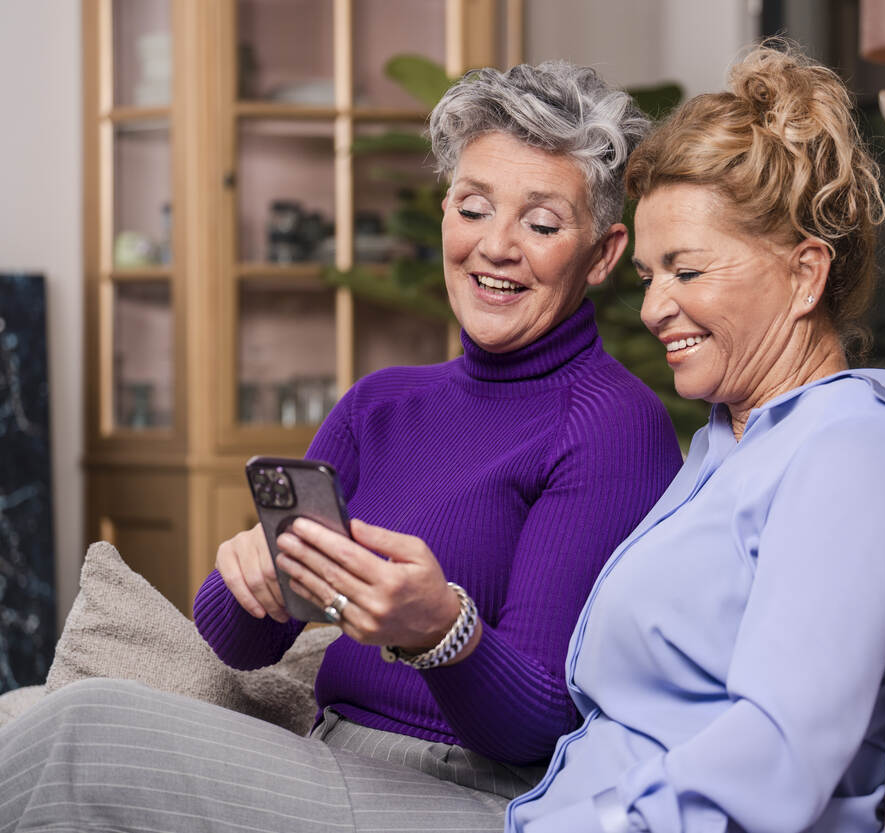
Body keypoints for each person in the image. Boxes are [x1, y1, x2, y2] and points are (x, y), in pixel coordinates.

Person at [0, 61, 681, 831]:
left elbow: (541, 722)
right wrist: (248, 577)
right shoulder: (379, 404)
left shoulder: (612, 423)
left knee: (85, 732)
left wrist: (441, 632)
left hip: (480, 797)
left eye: (542, 223)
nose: (497, 246)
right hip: (329, 762)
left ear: (601, 252)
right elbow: (237, 643)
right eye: (474, 207)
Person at [505, 44, 885, 833]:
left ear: (805, 274)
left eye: (687, 270)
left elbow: (781, 752)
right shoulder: (729, 438)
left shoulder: (852, 452)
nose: (653, 309)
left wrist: (601, 825)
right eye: (649, 276)